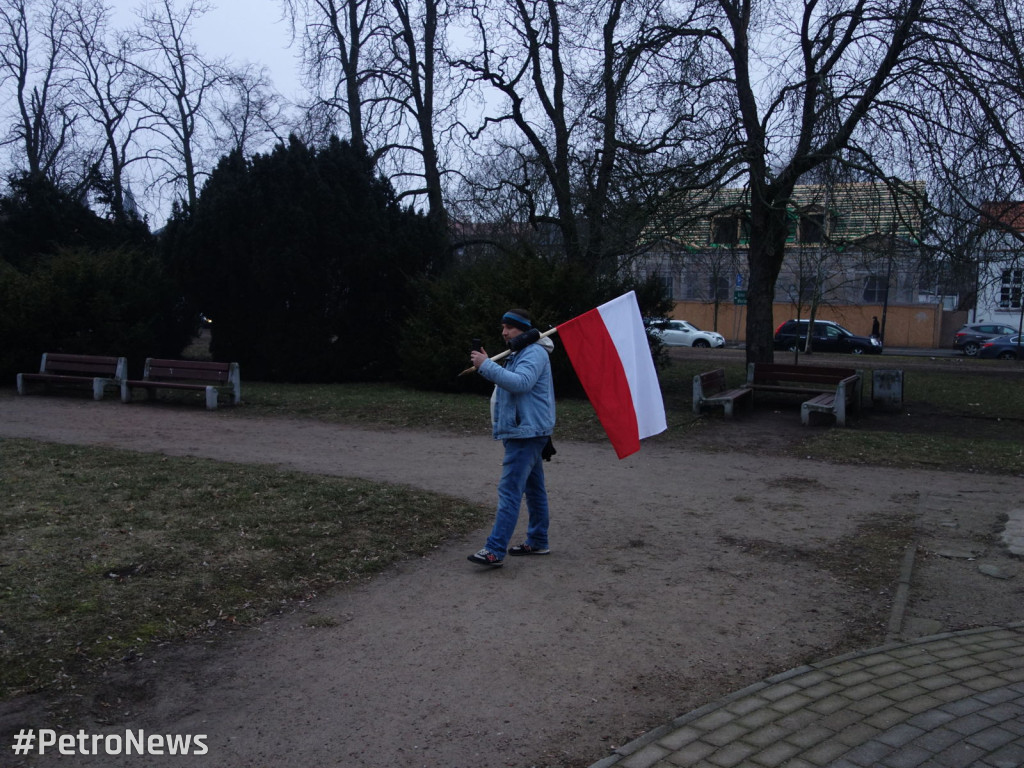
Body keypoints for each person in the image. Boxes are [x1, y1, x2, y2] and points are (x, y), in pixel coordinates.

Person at [467, 309, 556, 567]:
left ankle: (495, 550)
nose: (504, 332)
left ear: (523, 329)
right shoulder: (519, 352)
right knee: (534, 489)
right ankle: (538, 540)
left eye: (510, 327)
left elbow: (521, 383)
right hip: (525, 430)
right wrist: (489, 367)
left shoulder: (534, 352)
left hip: (526, 433)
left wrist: (486, 366)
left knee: (509, 491)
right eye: (503, 327)